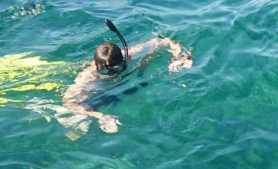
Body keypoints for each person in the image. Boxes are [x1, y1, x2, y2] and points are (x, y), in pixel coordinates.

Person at [57, 22, 192, 139]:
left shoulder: (130, 54)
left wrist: (179, 56)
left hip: (125, 84)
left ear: (123, 60)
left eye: (115, 69)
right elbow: (67, 102)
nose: (111, 74)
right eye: (104, 71)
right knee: (74, 124)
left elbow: (168, 41)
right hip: (97, 95)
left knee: (148, 58)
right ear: (97, 67)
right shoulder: (88, 76)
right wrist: (100, 116)